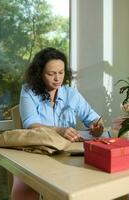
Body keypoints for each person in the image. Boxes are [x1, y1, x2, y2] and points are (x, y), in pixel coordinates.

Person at [12, 47, 104, 200]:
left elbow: (93, 119)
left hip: (67, 154)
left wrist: (97, 127)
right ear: (39, 73)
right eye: (51, 73)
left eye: (61, 73)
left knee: (90, 181)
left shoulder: (71, 94)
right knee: (24, 189)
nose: (57, 78)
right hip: (36, 153)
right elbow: (30, 124)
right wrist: (59, 130)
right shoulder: (28, 91)